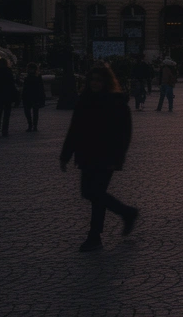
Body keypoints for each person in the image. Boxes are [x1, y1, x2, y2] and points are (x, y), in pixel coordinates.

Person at [59, 64, 138, 252]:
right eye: (92, 79)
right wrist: (66, 155)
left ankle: (95, 236)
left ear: (106, 82)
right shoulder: (84, 100)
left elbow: (125, 133)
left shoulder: (116, 102)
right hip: (87, 153)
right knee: (91, 193)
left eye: (98, 80)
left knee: (94, 192)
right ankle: (125, 213)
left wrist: (118, 156)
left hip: (106, 155)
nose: (94, 83)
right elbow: (74, 129)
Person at [0, 58, 18, 137]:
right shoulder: (8, 71)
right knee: (6, 114)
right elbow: (11, 83)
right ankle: (5, 129)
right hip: (7, 94)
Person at [21, 62, 46, 132]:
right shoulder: (36, 78)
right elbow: (41, 88)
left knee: (32, 112)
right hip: (33, 96)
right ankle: (33, 125)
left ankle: (32, 125)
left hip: (31, 96)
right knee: (33, 112)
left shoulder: (30, 78)